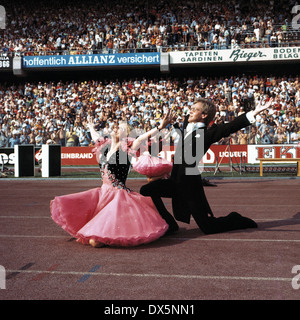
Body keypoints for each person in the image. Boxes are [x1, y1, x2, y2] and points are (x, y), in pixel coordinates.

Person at [140, 97, 274, 234]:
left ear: (203, 115)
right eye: (190, 109)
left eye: (194, 110)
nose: (190, 112)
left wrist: (255, 112)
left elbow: (230, 126)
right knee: (146, 190)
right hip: (175, 183)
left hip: (190, 187)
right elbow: (183, 131)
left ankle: (235, 218)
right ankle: (170, 224)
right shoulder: (187, 126)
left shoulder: (208, 133)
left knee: (209, 227)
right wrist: (171, 123)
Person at [50, 112, 174, 248]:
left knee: (95, 242)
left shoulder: (128, 150)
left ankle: (111, 235)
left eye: (120, 128)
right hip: (103, 194)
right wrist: (90, 126)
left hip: (118, 197)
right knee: (93, 239)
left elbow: (141, 138)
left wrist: (160, 127)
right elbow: (96, 136)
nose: (115, 129)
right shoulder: (104, 147)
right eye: (115, 127)